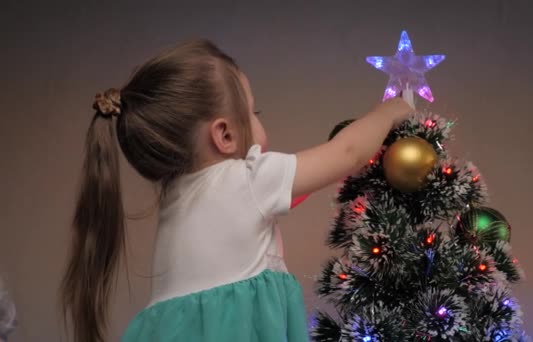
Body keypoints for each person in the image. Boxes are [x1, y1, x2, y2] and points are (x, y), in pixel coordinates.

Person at [60, 39, 412, 342]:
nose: (259, 121)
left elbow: (277, 201)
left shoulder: (177, 199)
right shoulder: (248, 178)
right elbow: (347, 154)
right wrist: (390, 111)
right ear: (224, 135)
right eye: (253, 112)